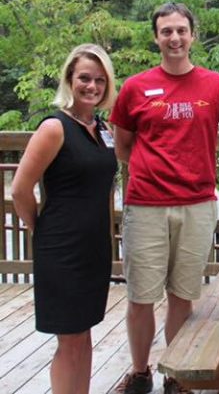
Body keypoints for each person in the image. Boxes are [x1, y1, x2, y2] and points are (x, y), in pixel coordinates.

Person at [110, 2, 219, 394]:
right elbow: (123, 145)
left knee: (182, 296)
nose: (174, 38)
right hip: (145, 205)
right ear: (156, 37)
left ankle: (177, 373)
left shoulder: (216, 84)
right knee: (141, 297)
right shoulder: (135, 87)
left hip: (198, 204)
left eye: (181, 30)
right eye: (166, 31)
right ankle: (140, 373)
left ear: (192, 35)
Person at [12, 44, 118, 394]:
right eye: (84, 78)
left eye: (99, 80)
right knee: (69, 340)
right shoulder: (54, 128)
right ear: (69, 80)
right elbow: (20, 189)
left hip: (94, 249)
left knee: (85, 334)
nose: (92, 86)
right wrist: (39, 230)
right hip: (61, 248)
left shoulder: (101, 129)